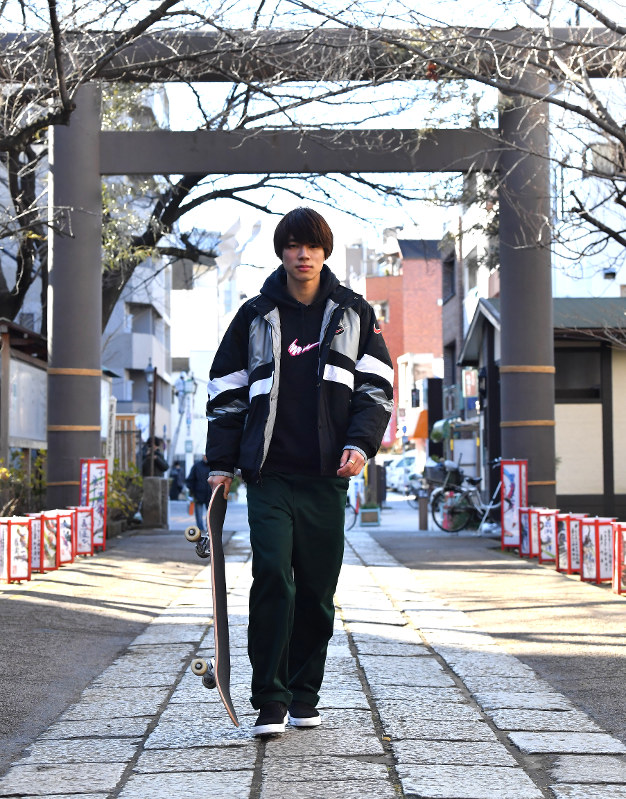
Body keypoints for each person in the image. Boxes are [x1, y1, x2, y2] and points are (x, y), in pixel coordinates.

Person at [206, 207, 393, 736]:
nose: (302, 254)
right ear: (281, 252)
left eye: (311, 245)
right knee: (271, 576)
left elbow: (376, 389)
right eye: (292, 245)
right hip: (268, 477)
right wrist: (220, 465)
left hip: (325, 479)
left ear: (325, 251)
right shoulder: (253, 315)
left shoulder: (354, 313)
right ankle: (269, 698)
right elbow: (226, 394)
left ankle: (304, 691)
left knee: (315, 590)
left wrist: (360, 445)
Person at [185, 456, 212, 533]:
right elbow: (190, 480)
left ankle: (209, 529)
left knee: (210, 514)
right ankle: (201, 529)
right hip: (198, 494)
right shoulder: (197, 466)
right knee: (199, 515)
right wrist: (192, 491)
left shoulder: (213, 466)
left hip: (210, 495)